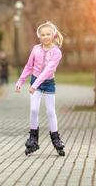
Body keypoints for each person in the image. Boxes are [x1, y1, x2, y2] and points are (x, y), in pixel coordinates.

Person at [14, 21, 65, 156]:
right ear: (39, 36)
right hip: (35, 80)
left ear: (53, 35)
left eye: (48, 34)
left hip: (48, 83)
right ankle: (33, 139)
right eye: (42, 35)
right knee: (34, 109)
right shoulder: (36, 49)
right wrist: (21, 81)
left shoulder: (56, 52)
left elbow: (49, 70)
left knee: (50, 111)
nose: (45, 37)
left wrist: (35, 85)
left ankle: (56, 139)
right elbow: (29, 66)